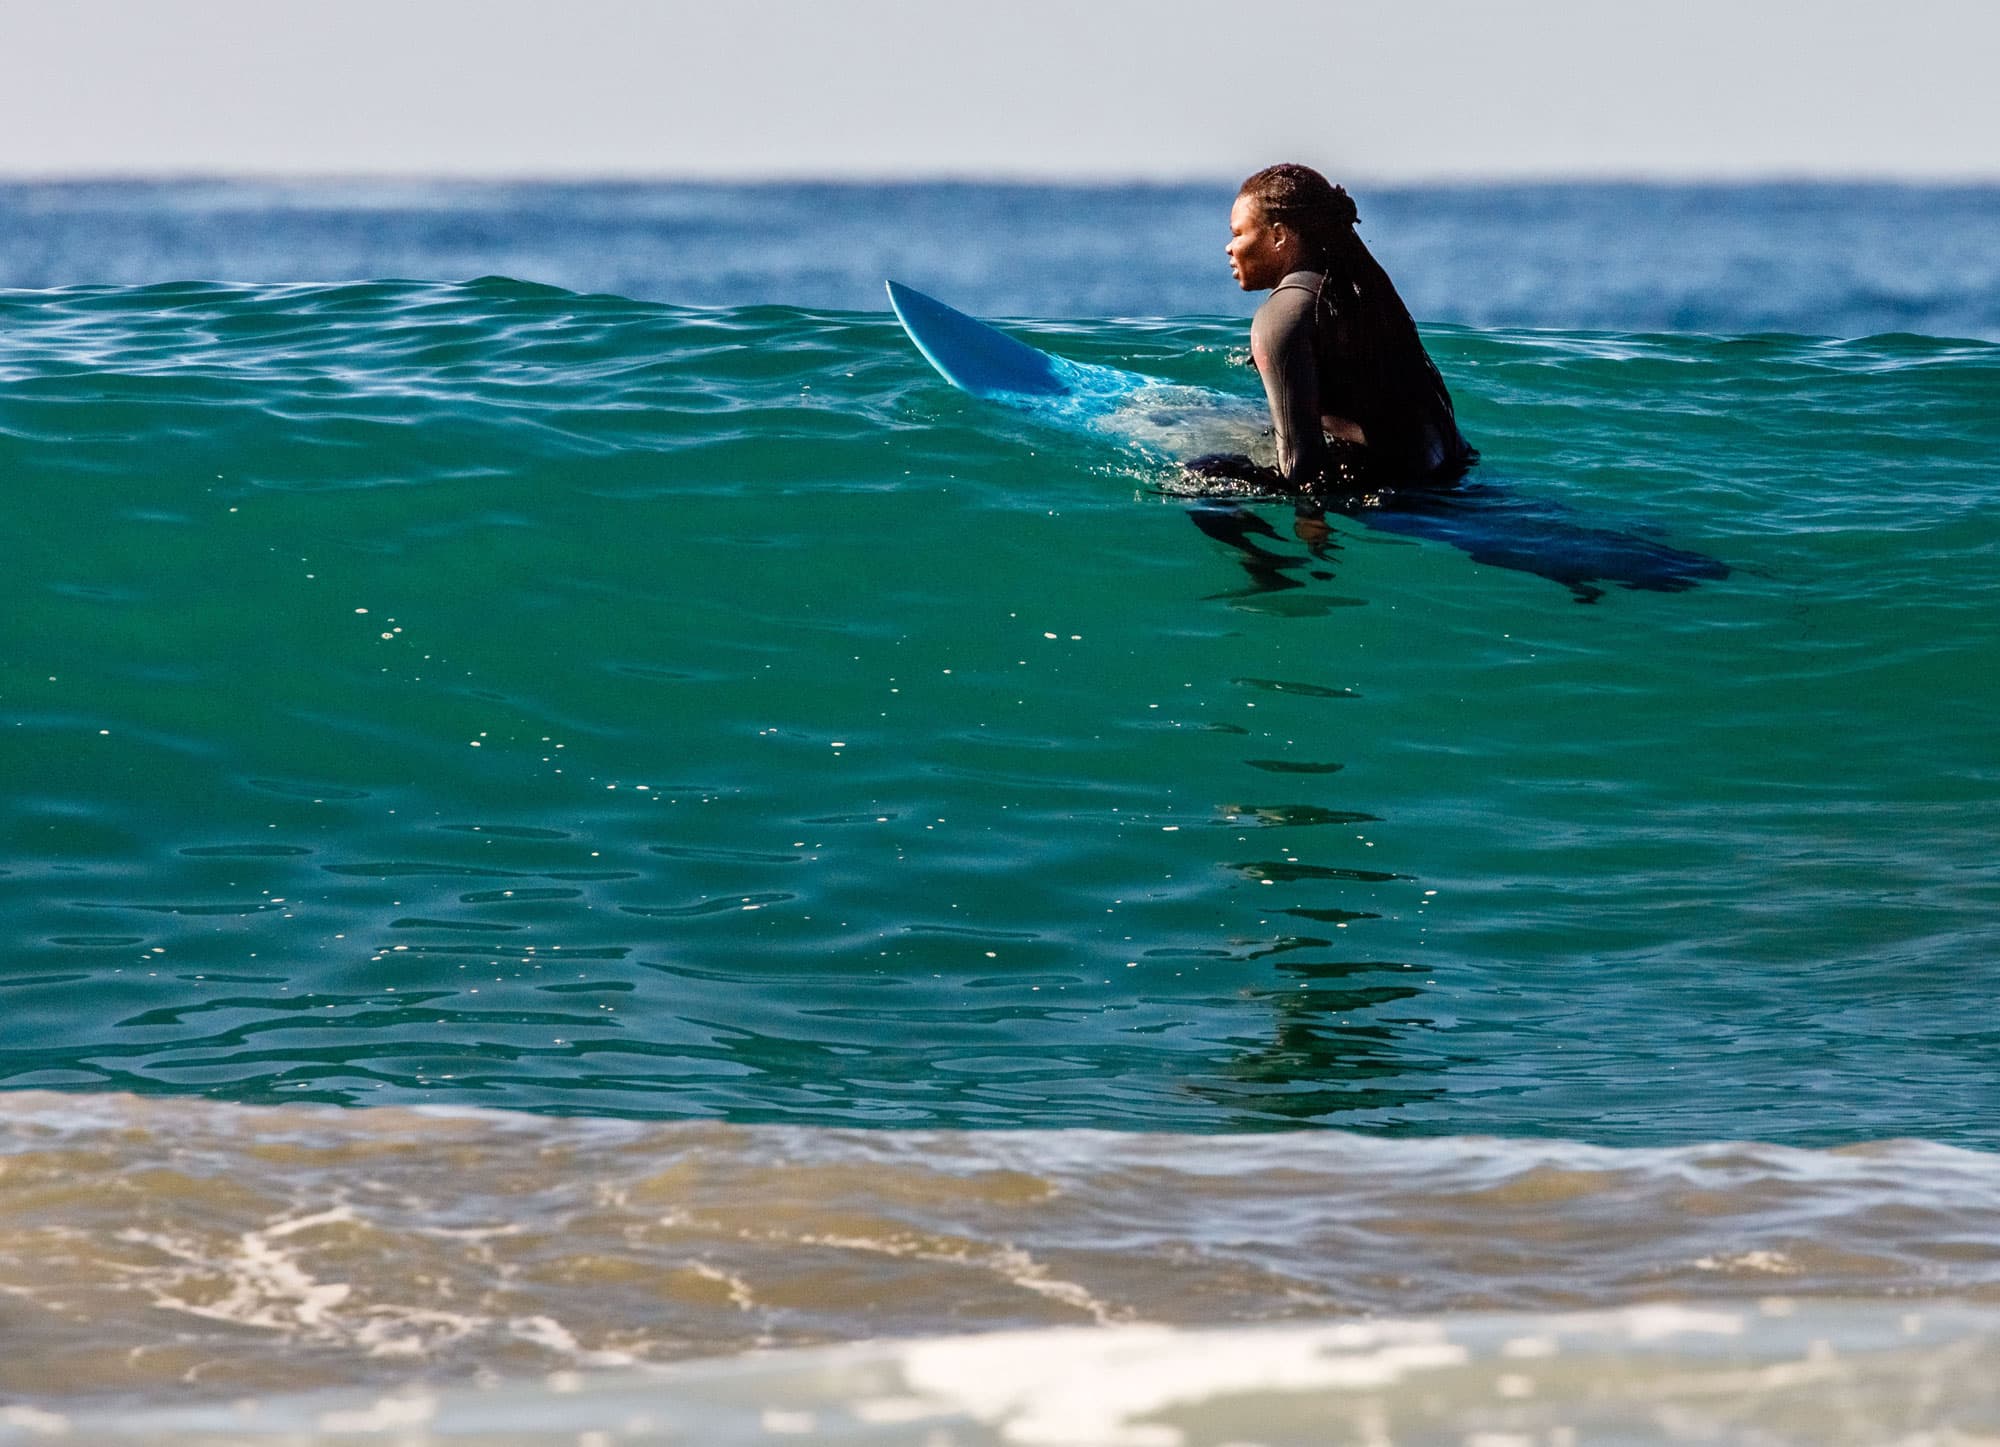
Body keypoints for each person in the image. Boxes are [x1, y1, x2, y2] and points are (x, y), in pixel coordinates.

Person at [1198, 163, 1476, 494]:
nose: (1230, 248)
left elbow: (1299, 464)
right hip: (1445, 471)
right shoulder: (1359, 290)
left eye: (1238, 233)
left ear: (1278, 235)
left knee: (1203, 472)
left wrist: (1310, 531)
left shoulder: (1281, 314)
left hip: (1378, 490)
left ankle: (1254, 550)